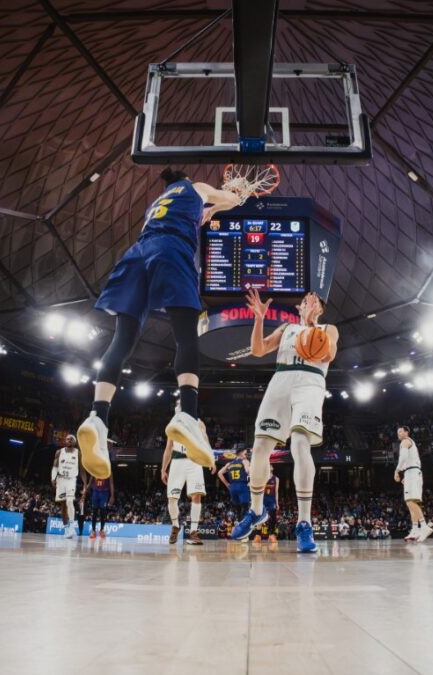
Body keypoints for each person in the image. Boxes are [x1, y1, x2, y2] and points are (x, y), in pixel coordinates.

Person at [76, 169, 241, 481]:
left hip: (136, 254)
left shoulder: (156, 204)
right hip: (170, 249)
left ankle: (97, 417)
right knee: (186, 334)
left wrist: (206, 211)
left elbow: (192, 213)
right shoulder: (196, 187)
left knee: (122, 340)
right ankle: (187, 415)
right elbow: (232, 200)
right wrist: (228, 198)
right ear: (187, 179)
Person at [232, 289, 339, 553]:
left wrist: (311, 324)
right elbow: (257, 350)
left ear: (320, 309)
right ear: (299, 307)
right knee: (259, 447)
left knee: (300, 444)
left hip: (310, 382)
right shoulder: (287, 328)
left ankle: (304, 523)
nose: (308, 303)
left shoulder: (328, 329)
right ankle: (256, 510)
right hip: (281, 380)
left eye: (314, 302)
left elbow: (328, 355)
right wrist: (259, 319)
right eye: (305, 301)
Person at [161, 403, 207, 546]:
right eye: (178, 404)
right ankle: (175, 526)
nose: (179, 405)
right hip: (177, 461)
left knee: (197, 496)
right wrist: (163, 469)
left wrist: (210, 460)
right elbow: (168, 448)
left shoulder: (199, 422)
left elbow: (206, 442)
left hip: (195, 461)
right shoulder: (173, 423)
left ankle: (193, 532)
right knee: (172, 498)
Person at [395, 426, 433, 542]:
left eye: (400, 431)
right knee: (412, 502)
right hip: (412, 472)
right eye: (397, 432)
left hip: (412, 472)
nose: (398, 433)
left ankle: (424, 527)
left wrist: (397, 470)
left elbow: (404, 457)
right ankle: (415, 529)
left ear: (406, 432)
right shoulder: (410, 442)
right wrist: (406, 476)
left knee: (409, 501)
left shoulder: (405, 441)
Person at [51, 434, 82, 539]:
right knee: (63, 506)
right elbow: (55, 466)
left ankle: (72, 527)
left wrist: (85, 484)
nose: (68, 440)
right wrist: (53, 478)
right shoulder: (59, 452)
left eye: (71, 439)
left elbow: (81, 469)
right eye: (67, 439)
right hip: (61, 479)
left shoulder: (78, 453)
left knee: (69, 501)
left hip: (71, 480)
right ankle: (66, 529)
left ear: (74, 442)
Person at [217, 449, 250, 521]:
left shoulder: (229, 464)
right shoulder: (245, 461)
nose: (246, 455)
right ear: (241, 453)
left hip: (232, 487)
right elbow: (247, 471)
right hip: (242, 485)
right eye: (245, 454)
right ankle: (244, 526)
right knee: (245, 508)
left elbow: (219, 473)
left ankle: (239, 523)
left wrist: (227, 484)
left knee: (238, 510)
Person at [254, 474, 280, 544]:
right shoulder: (261, 477)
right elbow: (259, 489)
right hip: (263, 499)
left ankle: (271, 535)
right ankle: (258, 535)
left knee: (273, 517)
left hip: (272, 499)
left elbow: (276, 492)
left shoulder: (276, 478)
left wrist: (277, 503)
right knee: (260, 517)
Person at [89, 474, 114, 539]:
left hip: (104, 492)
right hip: (95, 492)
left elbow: (111, 483)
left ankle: (102, 530)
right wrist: (85, 492)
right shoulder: (94, 470)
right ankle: (93, 531)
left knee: (103, 512)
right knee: (94, 512)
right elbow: (90, 481)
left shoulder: (108, 470)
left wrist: (112, 496)